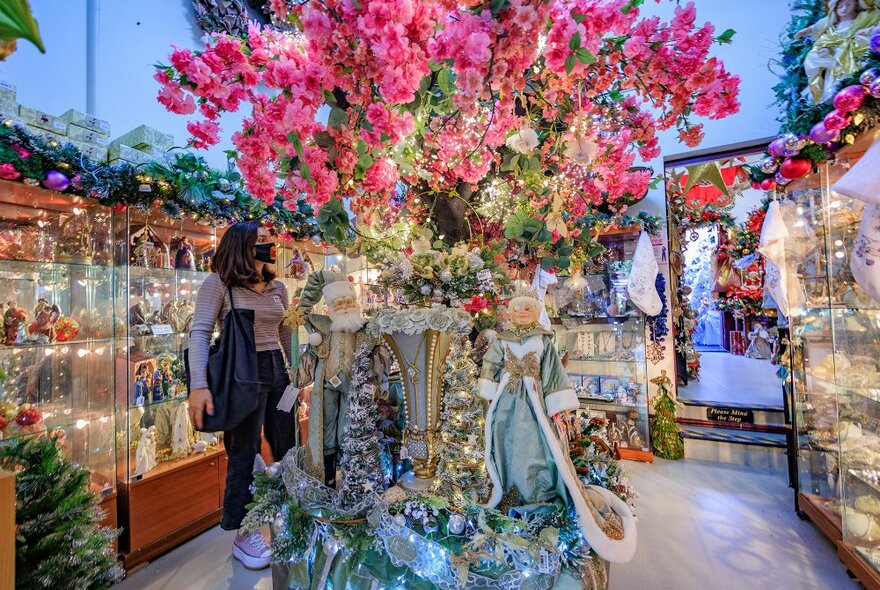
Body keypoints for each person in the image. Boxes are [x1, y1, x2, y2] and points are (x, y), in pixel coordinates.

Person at [478, 288, 637, 564]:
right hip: (505, 403)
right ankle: (507, 487)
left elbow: (552, 372)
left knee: (537, 446)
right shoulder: (501, 340)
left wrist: (556, 405)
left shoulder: (543, 340)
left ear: (536, 310)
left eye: (528, 307)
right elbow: (490, 364)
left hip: (534, 404)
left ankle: (535, 490)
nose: (523, 312)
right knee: (504, 442)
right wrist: (488, 390)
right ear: (511, 311)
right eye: (518, 308)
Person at [187, 221, 296, 571]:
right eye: (260, 241)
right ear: (241, 246)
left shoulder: (278, 287)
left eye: (269, 240)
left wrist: (298, 377)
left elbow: (286, 332)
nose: (268, 245)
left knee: (287, 444)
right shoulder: (219, 285)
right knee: (243, 450)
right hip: (241, 376)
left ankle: (290, 511)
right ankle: (245, 530)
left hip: (278, 374)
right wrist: (198, 386)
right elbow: (200, 333)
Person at [796, 0, 880, 103]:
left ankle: (843, 87)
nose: (844, 8)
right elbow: (820, 27)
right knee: (815, 60)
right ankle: (821, 92)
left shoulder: (863, 19)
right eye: (840, 6)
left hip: (851, 52)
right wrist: (821, 44)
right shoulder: (832, 27)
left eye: (848, 4)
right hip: (833, 55)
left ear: (856, 5)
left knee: (844, 58)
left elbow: (875, 24)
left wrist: (867, 31)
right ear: (835, 8)